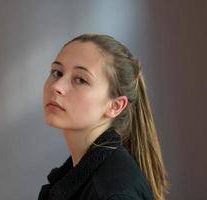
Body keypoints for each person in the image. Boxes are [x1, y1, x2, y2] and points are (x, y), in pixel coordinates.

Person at [38, 34, 168, 200]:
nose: (56, 86)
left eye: (80, 80)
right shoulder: (81, 177)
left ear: (115, 106)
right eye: (57, 72)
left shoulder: (112, 192)